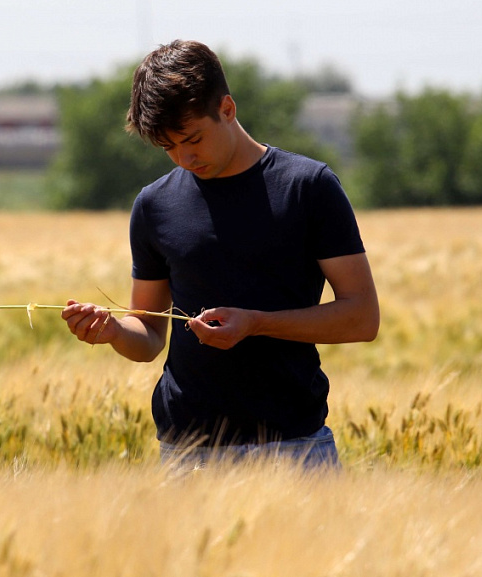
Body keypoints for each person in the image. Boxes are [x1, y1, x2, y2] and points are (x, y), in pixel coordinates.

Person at [61, 40, 379, 472]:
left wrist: (257, 323)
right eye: (168, 148)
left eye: (193, 139)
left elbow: (362, 317)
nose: (184, 158)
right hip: (186, 453)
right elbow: (149, 335)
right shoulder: (154, 205)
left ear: (227, 108)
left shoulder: (309, 187)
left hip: (294, 448)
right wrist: (113, 330)